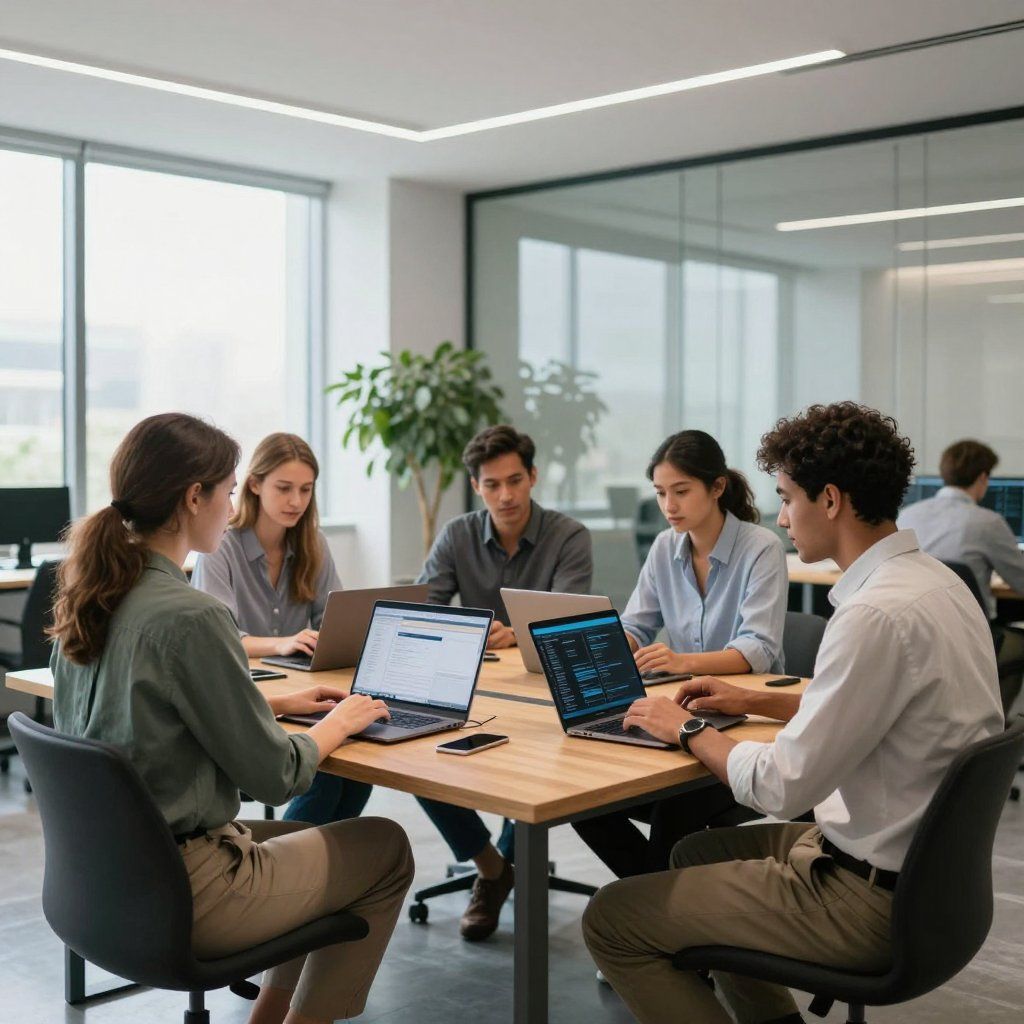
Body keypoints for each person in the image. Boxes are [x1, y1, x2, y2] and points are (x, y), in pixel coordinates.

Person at [582, 402, 1004, 1024]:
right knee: (690, 854)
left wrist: (689, 727)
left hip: (867, 898)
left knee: (611, 918)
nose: (780, 517)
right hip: (933, 883)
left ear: (829, 500)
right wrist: (753, 699)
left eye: (785, 498)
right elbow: (875, 701)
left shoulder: (871, 615)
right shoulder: (938, 585)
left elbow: (781, 786)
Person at [49, 413, 413, 1024]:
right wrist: (338, 723)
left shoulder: (88, 599)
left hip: (101, 882)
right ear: (195, 497)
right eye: (228, 490)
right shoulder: (192, 616)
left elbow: (136, 715)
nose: (231, 504)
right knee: (385, 848)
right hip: (192, 888)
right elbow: (275, 777)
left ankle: (267, 1018)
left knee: (313, 839)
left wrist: (269, 704)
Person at [572, 429, 788, 878]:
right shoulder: (664, 547)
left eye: (681, 491)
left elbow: (759, 649)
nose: (668, 505)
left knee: (676, 803)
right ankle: (653, 898)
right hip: (677, 712)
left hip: (745, 725)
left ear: (717, 487)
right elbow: (636, 624)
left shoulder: (761, 547)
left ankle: (650, 906)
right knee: (585, 797)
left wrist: (680, 660)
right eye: (660, 493)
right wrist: (610, 648)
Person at [416, 423, 593, 940]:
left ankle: (499, 874)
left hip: (544, 690)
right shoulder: (457, 535)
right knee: (416, 753)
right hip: (474, 684)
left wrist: (513, 634)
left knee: (537, 768)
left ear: (533, 477)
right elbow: (426, 609)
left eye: (515, 480)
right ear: (477, 487)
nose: (506, 495)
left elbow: (566, 623)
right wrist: (475, 633)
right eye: (492, 485)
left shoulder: (568, 536)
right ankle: (492, 867)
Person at [192, 433, 372, 826]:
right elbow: (218, 639)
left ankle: (319, 870)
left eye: (306, 490)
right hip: (244, 697)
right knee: (325, 769)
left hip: (299, 693)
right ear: (254, 485)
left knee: (356, 763)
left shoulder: (313, 544)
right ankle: (287, 858)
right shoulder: (221, 545)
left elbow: (333, 621)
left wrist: (335, 639)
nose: (296, 501)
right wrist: (284, 642)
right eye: (284, 488)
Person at [898, 439, 1024, 713]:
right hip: (971, 635)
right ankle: (996, 723)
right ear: (982, 477)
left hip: (917, 631)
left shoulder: (906, 515)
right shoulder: (988, 522)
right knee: (1020, 644)